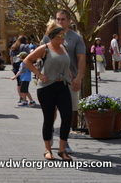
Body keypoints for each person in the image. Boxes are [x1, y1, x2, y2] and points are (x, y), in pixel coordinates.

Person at [24, 21, 72, 161]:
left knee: (67, 117)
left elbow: (64, 62)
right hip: (46, 88)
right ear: (53, 36)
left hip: (62, 86)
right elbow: (27, 61)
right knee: (49, 119)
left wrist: (68, 72)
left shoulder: (64, 48)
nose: (63, 37)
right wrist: (39, 74)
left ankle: (62, 150)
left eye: (64, 35)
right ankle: (47, 149)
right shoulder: (45, 48)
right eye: (60, 35)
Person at [42, 9, 85, 153]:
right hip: (50, 80)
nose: (59, 22)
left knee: (67, 113)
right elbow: (41, 55)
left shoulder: (76, 38)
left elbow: (81, 59)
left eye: (63, 19)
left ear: (69, 21)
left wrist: (79, 77)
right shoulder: (48, 36)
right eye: (58, 19)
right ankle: (51, 132)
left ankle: (64, 141)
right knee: (51, 111)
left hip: (69, 81)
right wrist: (39, 74)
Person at [10, 36, 30, 103]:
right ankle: (24, 98)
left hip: (16, 65)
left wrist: (12, 66)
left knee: (18, 82)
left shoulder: (13, 46)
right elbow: (29, 55)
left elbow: (12, 57)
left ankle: (21, 97)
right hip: (23, 64)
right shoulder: (26, 46)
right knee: (24, 82)